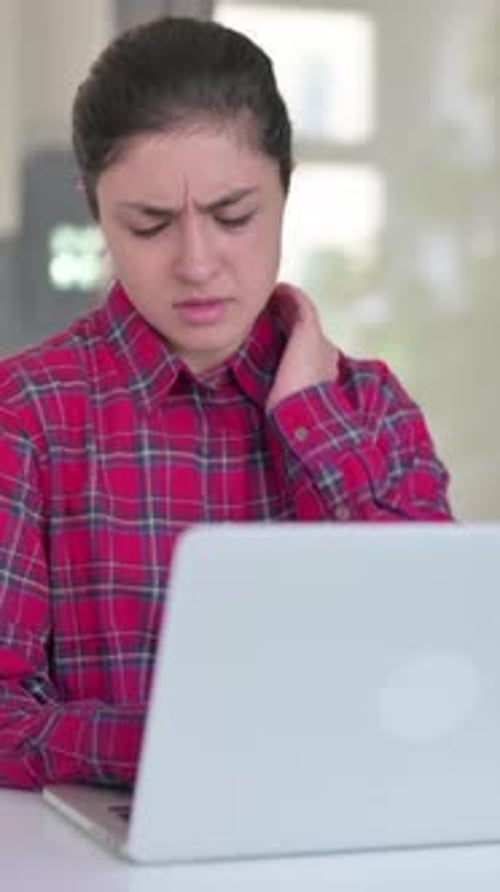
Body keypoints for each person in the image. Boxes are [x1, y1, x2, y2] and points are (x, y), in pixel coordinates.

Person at [0, 16, 452, 791]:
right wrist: (198, 745)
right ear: (96, 209)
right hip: (107, 847)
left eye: (234, 216)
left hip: (352, 836)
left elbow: (440, 674)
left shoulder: (370, 409)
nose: (197, 263)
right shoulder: (27, 416)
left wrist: (311, 421)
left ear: (286, 187)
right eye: (149, 225)